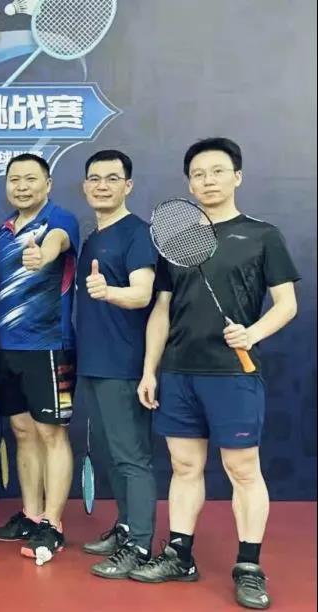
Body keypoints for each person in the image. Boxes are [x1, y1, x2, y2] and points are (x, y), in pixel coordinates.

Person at [131, 138, 299, 610]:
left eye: (218, 171)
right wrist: (150, 369)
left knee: (243, 470)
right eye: (198, 174)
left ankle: (249, 567)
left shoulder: (262, 235)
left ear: (237, 176)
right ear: (189, 184)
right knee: (184, 467)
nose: (208, 180)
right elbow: (161, 309)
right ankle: (179, 555)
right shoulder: (177, 240)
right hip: (179, 372)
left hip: (232, 374)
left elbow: (286, 303)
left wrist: (252, 333)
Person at [0, 153, 80, 566]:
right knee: (22, 431)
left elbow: (56, 242)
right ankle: (31, 514)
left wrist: (42, 254)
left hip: (48, 345)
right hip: (8, 347)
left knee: (51, 434)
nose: (22, 186)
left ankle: (53, 523)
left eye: (31, 179)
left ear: (48, 183)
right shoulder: (3, 230)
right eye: (15, 179)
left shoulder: (59, 219)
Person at [72, 151, 158, 576]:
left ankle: (140, 546)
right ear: (85, 186)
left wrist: (108, 292)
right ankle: (125, 528)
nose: (102, 185)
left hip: (124, 364)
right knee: (111, 454)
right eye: (95, 178)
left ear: (129, 185)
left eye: (112, 178)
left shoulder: (137, 233)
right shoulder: (93, 236)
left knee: (132, 457)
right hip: (93, 362)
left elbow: (142, 293)